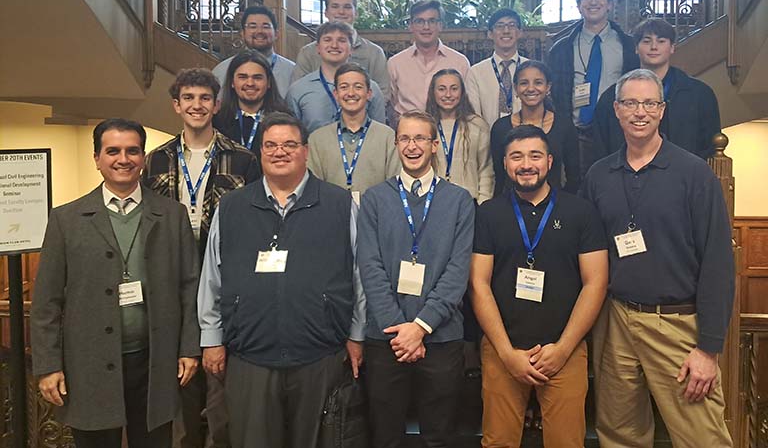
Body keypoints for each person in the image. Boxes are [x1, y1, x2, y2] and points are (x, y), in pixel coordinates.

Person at [581, 69, 734, 447]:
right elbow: (587, 256)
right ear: (616, 110)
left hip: (678, 325)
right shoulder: (598, 176)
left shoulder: (694, 173)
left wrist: (709, 349)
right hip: (615, 321)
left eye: (650, 103)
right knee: (619, 435)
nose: (640, 112)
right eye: (631, 103)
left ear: (662, 110)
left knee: (703, 438)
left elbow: (718, 262)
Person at [197, 112, 365, 448]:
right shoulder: (232, 207)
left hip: (320, 354)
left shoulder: (339, 203)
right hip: (250, 356)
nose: (280, 152)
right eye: (270, 145)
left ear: (306, 151)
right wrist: (211, 338)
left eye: (290, 144)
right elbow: (212, 277)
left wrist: (357, 334)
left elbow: (359, 274)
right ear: (260, 152)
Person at [31, 119, 200, 448]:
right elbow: (47, 301)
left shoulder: (172, 215)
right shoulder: (66, 220)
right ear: (96, 158)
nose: (124, 159)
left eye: (132, 151)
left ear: (143, 157)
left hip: (155, 361)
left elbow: (188, 286)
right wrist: (48, 365)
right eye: (113, 151)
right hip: (89, 363)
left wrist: (189, 348)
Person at [142, 68, 261, 448]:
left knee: (222, 384)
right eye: (188, 98)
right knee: (179, 381)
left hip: (224, 280)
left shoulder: (242, 159)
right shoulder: (155, 160)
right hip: (172, 279)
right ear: (176, 105)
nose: (197, 105)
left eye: (204, 98)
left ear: (216, 104)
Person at [470, 124, 608, 447]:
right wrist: (506, 353)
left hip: (566, 349)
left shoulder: (580, 212)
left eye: (534, 155)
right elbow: (478, 283)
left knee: (566, 443)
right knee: (498, 442)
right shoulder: (489, 214)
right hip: (503, 349)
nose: (526, 164)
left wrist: (562, 349)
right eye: (516, 156)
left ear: (549, 161)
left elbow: (596, 282)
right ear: (504, 164)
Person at [358, 110, 475, 448]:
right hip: (386, 338)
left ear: (435, 144)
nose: (412, 146)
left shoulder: (459, 201)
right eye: (405, 138)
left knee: (440, 436)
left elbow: (457, 272)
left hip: (441, 338)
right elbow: (370, 268)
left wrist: (421, 327)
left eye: (420, 138)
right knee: (385, 436)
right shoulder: (375, 199)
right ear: (396, 144)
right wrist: (400, 330)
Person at [548, 0, 639, 178]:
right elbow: (556, 94)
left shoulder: (629, 46)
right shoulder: (562, 48)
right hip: (575, 136)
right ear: (579, 5)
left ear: (609, 4)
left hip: (616, 134)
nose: (593, 1)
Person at [592, 18, 721, 160]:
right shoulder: (612, 96)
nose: (654, 47)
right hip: (625, 177)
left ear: (672, 47)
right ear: (636, 47)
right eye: (646, 41)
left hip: (684, 177)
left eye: (661, 41)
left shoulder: (700, 94)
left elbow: (710, 147)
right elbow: (600, 147)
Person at [307, 62, 399, 204]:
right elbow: (313, 188)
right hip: (330, 215)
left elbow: (394, 186)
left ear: (369, 93)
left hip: (376, 216)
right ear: (336, 94)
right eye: (344, 87)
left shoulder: (388, 137)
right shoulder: (317, 139)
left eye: (358, 87)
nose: (351, 93)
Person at [491, 60, 579, 196]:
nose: (531, 88)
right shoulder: (500, 128)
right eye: (524, 83)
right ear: (515, 88)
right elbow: (500, 178)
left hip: (555, 206)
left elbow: (574, 176)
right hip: (511, 206)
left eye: (538, 82)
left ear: (548, 87)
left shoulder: (564, 125)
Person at [291, 0, 391, 99]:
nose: (341, 11)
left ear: (356, 13)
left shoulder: (374, 53)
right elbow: (297, 92)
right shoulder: (308, 52)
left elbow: (383, 94)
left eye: (347, 7)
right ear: (326, 12)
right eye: (335, 6)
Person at [286, 21, 387, 134]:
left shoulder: (371, 88)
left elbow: (380, 133)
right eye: (327, 40)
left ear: (351, 49)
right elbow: (292, 134)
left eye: (342, 40)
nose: (334, 45)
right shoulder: (298, 90)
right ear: (318, 48)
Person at [388, 0, 470, 118]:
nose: (426, 27)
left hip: (449, 131)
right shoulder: (395, 63)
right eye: (419, 21)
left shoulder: (460, 62)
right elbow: (392, 103)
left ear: (440, 25)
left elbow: (465, 103)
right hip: (409, 132)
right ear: (410, 26)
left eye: (432, 21)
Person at [425, 68, 494, 203]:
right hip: (432, 201)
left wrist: (483, 203)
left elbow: (486, 170)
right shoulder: (425, 126)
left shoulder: (477, 125)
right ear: (433, 93)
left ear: (462, 92)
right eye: (442, 89)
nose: (448, 94)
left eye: (454, 88)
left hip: (469, 201)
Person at [214, 51, 291, 155]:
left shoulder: (286, 121)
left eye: (257, 78)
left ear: (268, 83)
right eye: (243, 77)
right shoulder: (218, 122)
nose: (250, 83)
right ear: (232, 82)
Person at [212, 5, 294, 98]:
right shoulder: (223, 70)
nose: (259, 31)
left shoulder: (292, 71)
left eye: (265, 26)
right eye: (252, 26)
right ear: (242, 33)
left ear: (276, 34)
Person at [466, 8, 529, 127]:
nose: (506, 31)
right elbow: (474, 116)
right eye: (500, 26)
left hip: (526, 139)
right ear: (490, 34)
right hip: (489, 140)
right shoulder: (476, 72)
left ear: (520, 32)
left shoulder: (531, 69)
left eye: (512, 25)